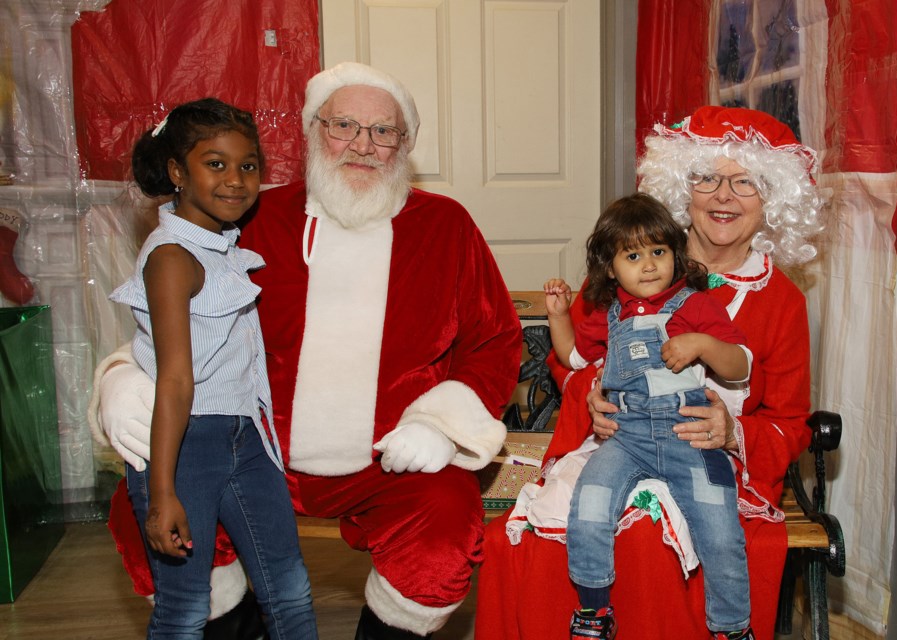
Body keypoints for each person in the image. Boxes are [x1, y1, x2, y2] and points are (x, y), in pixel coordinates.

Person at [89, 63, 521, 639]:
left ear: (406, 144)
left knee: (445, 523)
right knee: (141, 504)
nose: (363, 145)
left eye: (383, 131)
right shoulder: (251, 215)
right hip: (256, 447)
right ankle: (233, 624)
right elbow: (181, 316)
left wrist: (442, 424)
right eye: (344, 125)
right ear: (311, 132)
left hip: (389, 458)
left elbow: (493, 340)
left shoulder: (446, 225)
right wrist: (123, 379)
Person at [475, 106, 822, 640]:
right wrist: (591, 394)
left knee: (649, 542)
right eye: (706, 177)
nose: (723, 196)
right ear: (684, 188)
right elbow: (570, 361)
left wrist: (733, 432)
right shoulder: (635, 268)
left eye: (745, 181)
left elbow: (792, 421)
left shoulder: (781, 300)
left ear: (772, 199)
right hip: (624, 443)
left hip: (712, 462)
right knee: (519, 538)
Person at [109, 98, 318, 638]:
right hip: (187, 444)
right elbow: (176, 380)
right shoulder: (172, 257)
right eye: (215, 163)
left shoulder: (224, 247)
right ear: (177, 172)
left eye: (248, 165)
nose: (235, 180)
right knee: (183, 608)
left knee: (289, 589)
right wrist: (161, 494)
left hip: (247, 438)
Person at [543, 193, 753, 640]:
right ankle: (594, 611)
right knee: (591, 503)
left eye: (658, 252)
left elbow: (741, 365)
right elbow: (575, 358)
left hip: (689, 433)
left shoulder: (696, 305)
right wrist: (559, 316)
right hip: (626, 434)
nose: (649, 265)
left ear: (675, 255)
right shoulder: (608, 312)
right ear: (610, 266)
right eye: (632, 255)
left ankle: (732, 627)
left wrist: (702, 343)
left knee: (720, 526)